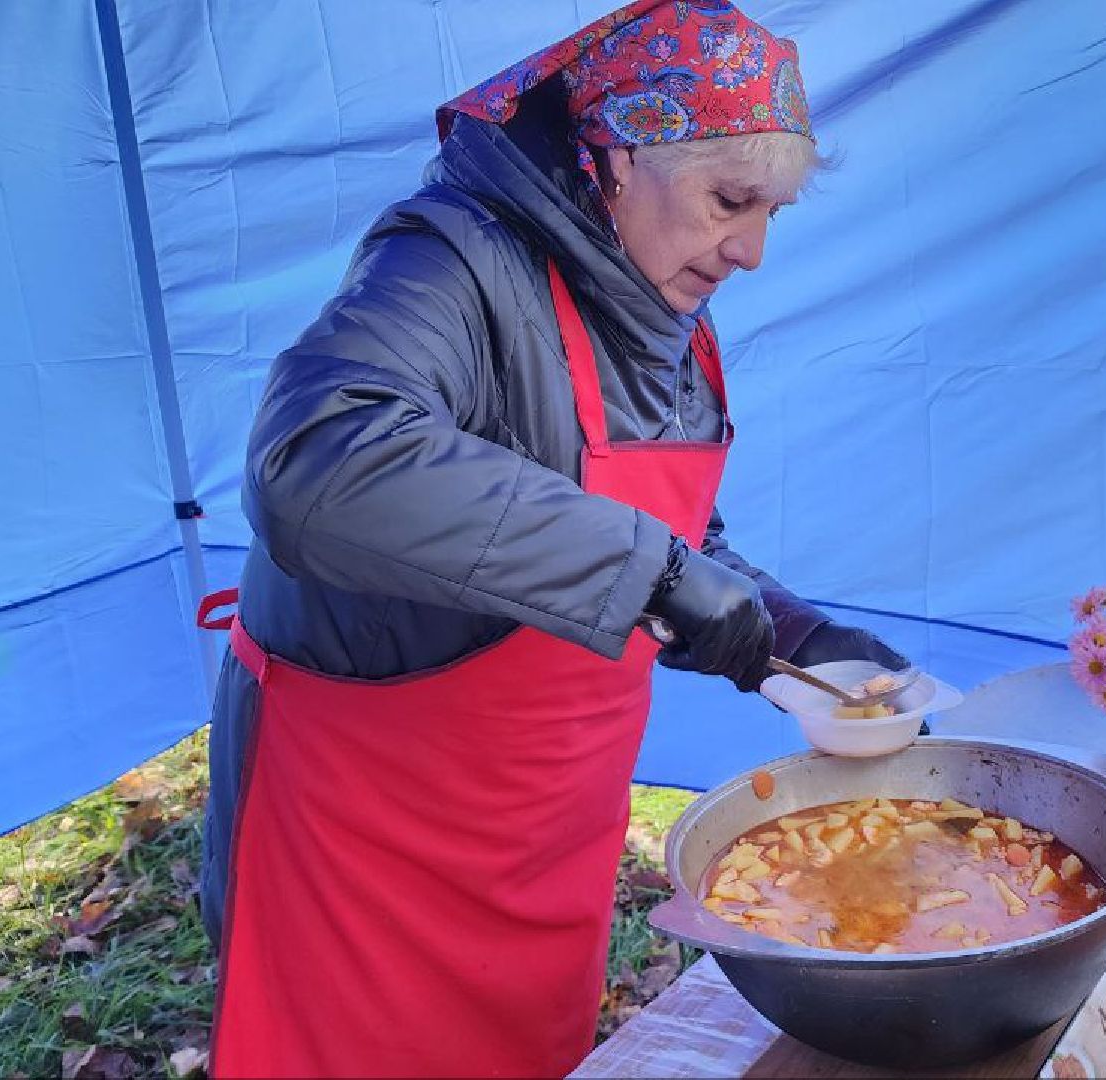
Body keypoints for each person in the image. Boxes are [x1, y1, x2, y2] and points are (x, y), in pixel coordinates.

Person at [193, 3, 905, 1074]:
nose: (752, 250)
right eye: (729, 201)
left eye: (772, 213)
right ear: (619, 160)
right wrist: (656, 577)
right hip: (368, 824)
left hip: (544, 828)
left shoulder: (665, 312)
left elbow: (669, 531)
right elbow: (320, 460)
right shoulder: (450, 261)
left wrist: (787, 633)